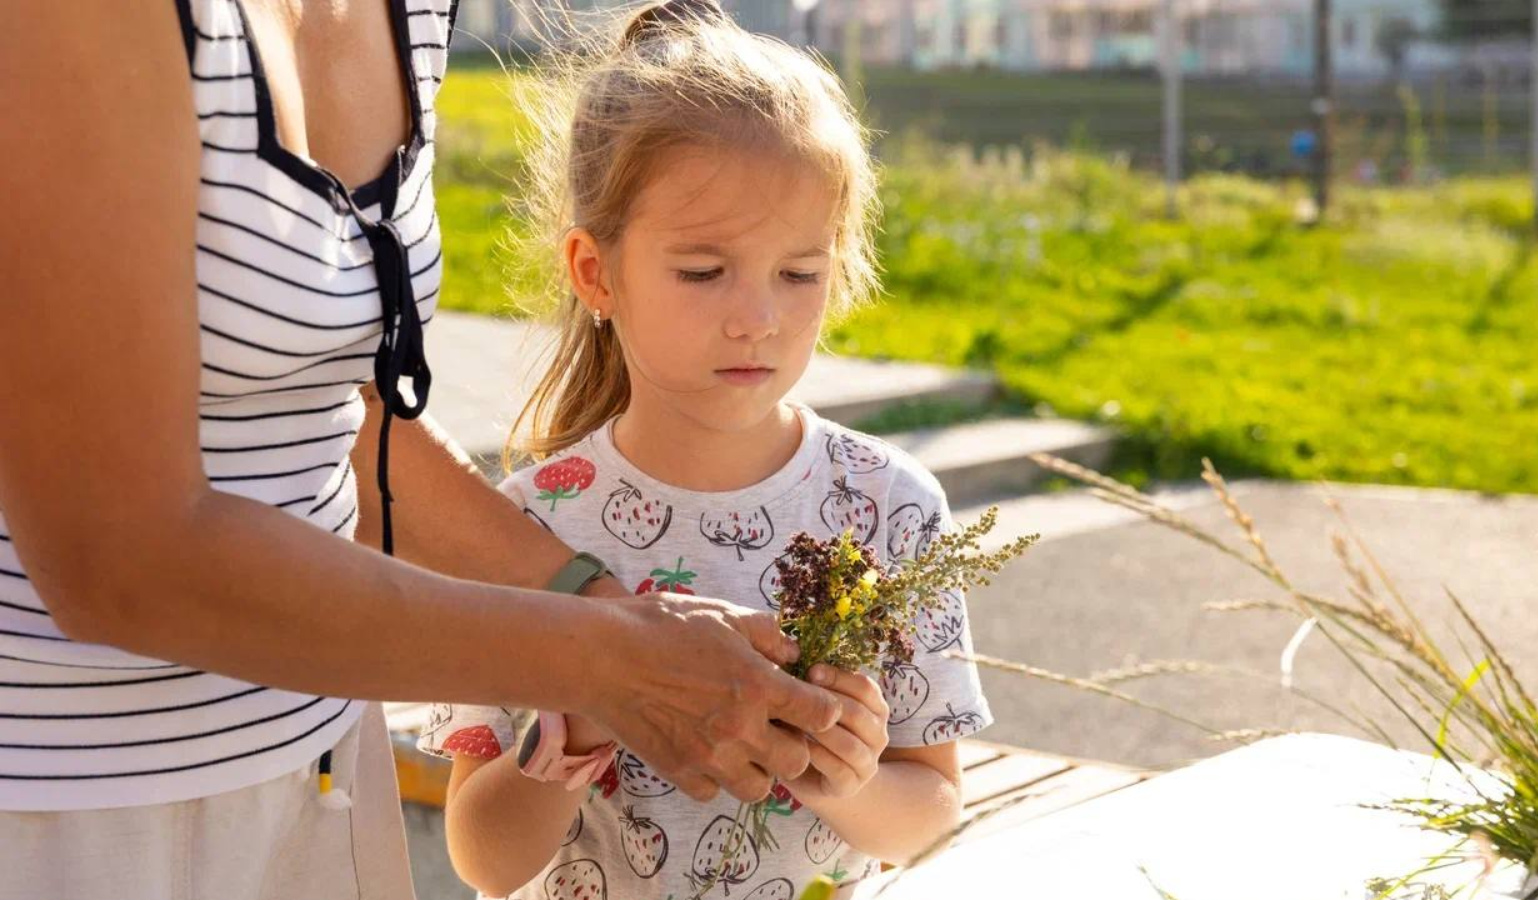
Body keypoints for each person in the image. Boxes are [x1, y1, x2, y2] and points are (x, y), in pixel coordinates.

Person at [0, 1, 840, 896]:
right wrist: (604, 659)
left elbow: (319, 410)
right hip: (66, 805)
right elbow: (116, 556)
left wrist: (595, 597)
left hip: (317, 763)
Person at [419, 3, 993, 897]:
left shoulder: (890, 506)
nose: (756, 318)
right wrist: (579, 716)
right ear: (595, 273)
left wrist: (843, 778)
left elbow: (928, 810)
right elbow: (484, 860)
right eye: (702, 270)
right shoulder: (530, 531)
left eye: (799, 273)